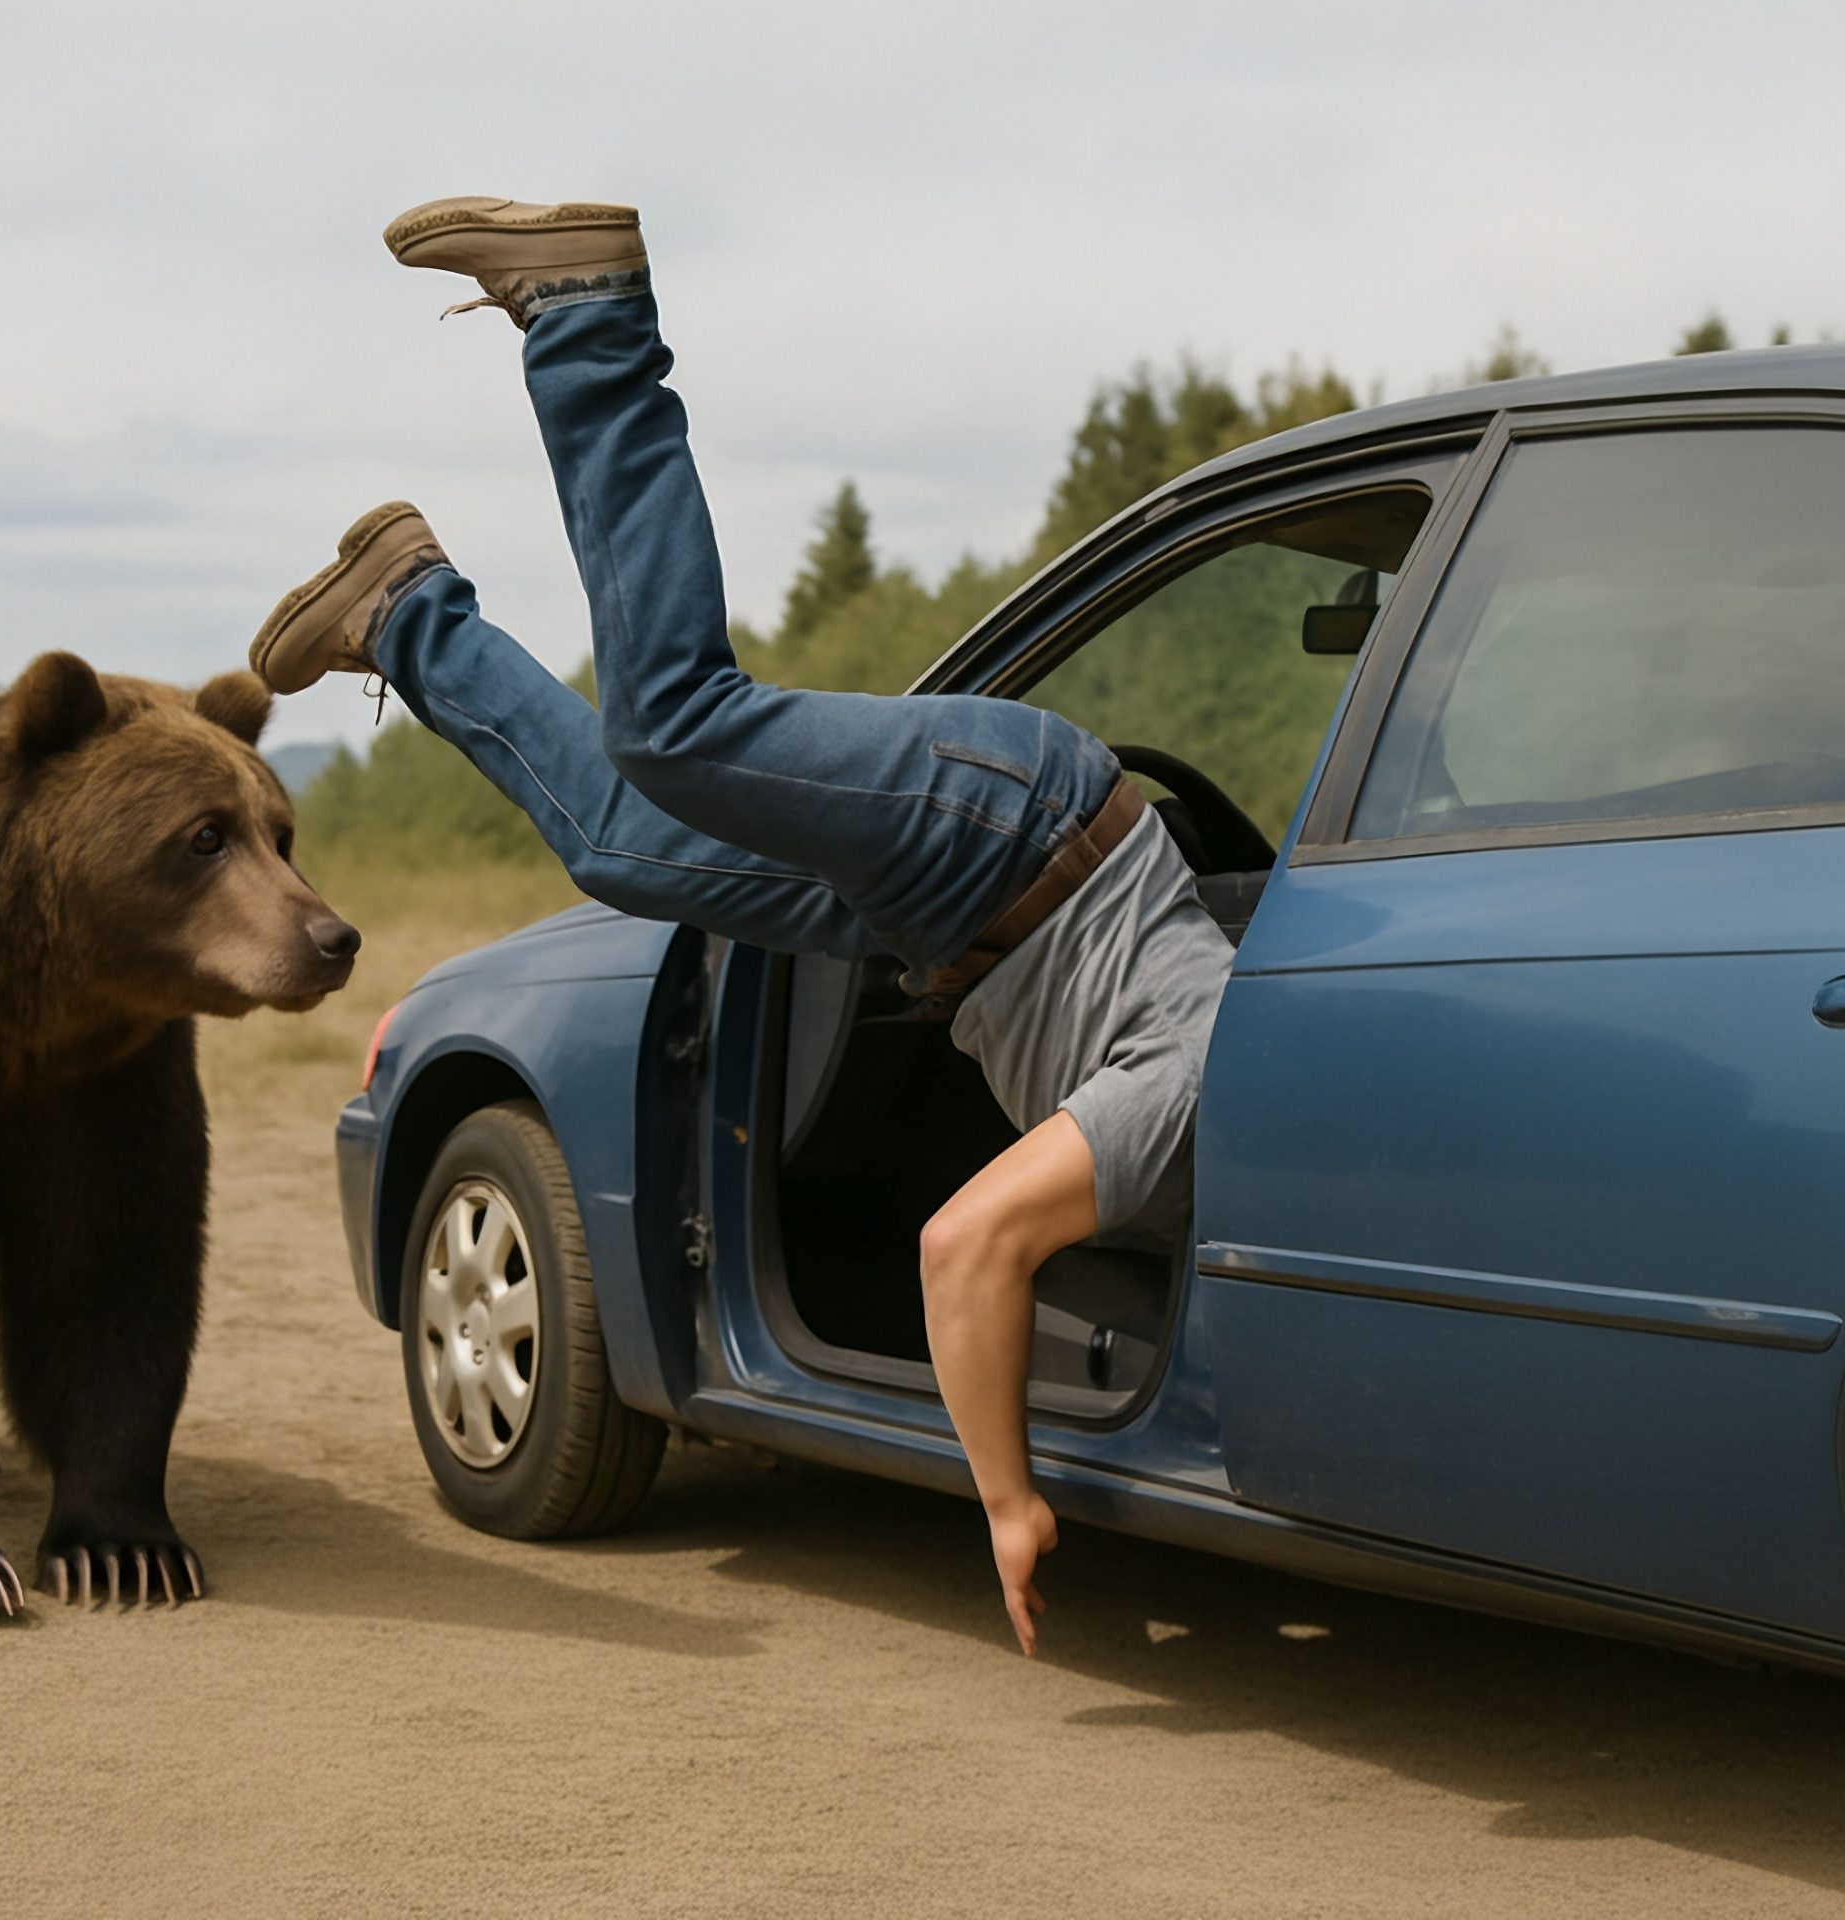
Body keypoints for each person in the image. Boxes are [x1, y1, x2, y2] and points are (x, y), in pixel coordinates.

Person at [250, 197, 1232, 1655]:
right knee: (678, 726)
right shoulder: (1200, 1098)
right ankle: (591, 319)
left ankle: (404, 609)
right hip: (1017, 837)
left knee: (619, 841)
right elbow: (965, 1246)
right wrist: (1010, 1500)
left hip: (964, 910)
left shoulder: (1209, 1132)